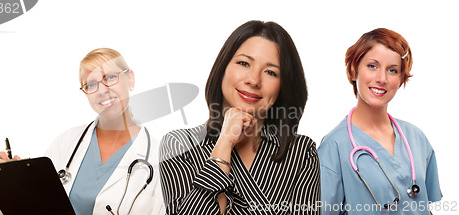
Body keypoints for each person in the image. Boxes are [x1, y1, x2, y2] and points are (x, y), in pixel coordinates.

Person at [160, 20, 320, 215]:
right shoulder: (179, 145)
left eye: (271, 72)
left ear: (283, 86)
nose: (253, 80)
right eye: (244, 63)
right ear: (223, 68)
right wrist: (225, 143)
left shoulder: (301, 153)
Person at [0, 48, 164, 215]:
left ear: (130, 79)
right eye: (91, 85)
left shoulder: (159, 160)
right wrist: (14, 182)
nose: (103, 90)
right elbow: (35, 206)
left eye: (111, 77)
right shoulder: (67, 142)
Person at [318, 28, 442, 214]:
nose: (382, 79)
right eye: (372, 66)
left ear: (400, 80)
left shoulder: (416, 138)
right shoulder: (334, 146)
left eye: (392, 70)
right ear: (353, 71)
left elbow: (424, 207)